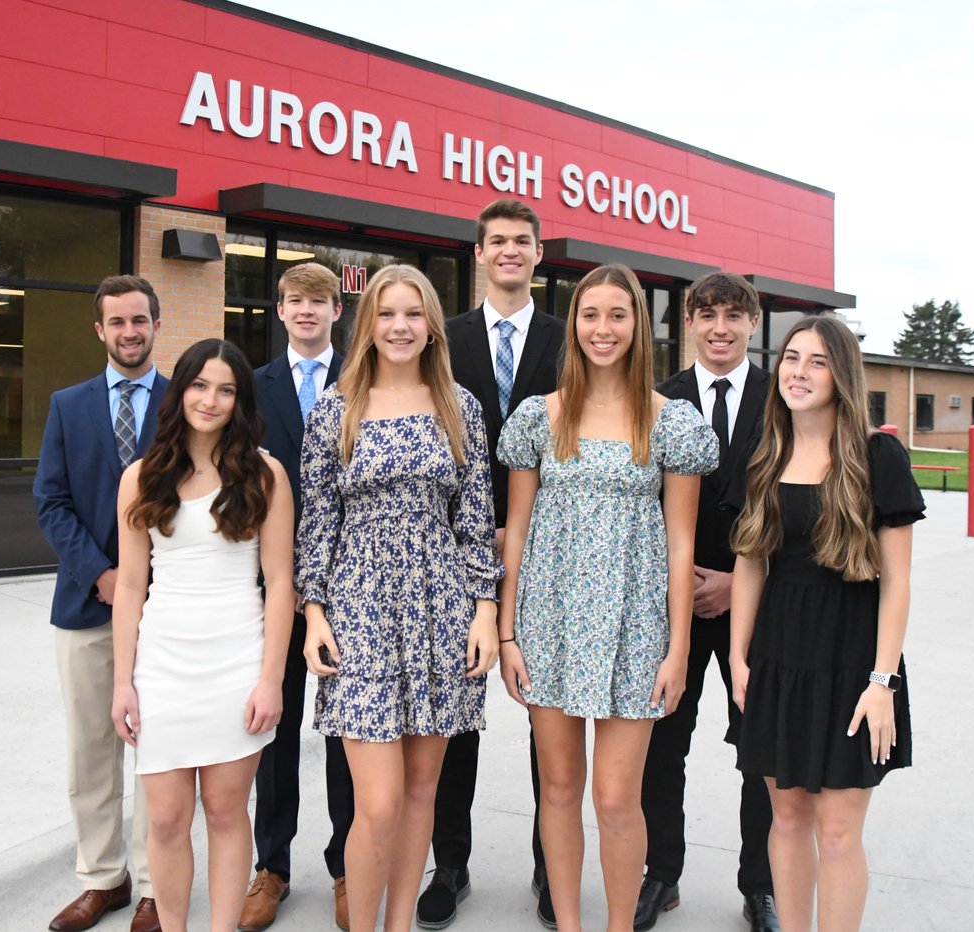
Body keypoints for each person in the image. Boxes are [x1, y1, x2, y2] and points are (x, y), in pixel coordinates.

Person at [497, 264, 718, 932]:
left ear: (638, 326)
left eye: (617, 315)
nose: (602, 329)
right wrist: (507, 633)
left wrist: (678, 649)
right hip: (549, 625)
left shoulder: (670, 423)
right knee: (559, 790)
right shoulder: (540, 417)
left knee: (619, 799)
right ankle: (568, 923)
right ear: (575, 325)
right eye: (590, 314)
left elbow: (682, 545)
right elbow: (518, 534)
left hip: (635, 629)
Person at [296, 264, 503, 932]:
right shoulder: (338, 406)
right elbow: (316, 519)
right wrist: (313, 611)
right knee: (378, 804)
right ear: (368, 324)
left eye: (413, 314)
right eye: (386, 314)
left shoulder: (459, 407)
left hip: (441, 607)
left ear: (431, 324)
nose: (400, 326)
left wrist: (485, 610)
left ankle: (399, 925)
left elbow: (475, 519)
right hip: (359, 610)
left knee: (421, 793)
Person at [729, 315, 923, 932]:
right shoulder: (767, 451)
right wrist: (739, 658)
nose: (799, 372)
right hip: (777, 657)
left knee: (837, 832)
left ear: (841, 374)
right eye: (791, 358)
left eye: (816, 361)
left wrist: (882, 681)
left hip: (851, 661)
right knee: (785, 819)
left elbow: (897, 582)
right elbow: (750, 564)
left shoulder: (877, 455)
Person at [110, 338, 295, 932]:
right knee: (164, 819)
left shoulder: (265, 475)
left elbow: (280, 582)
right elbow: (132, 586)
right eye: (198, 385)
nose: (209, 400)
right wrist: (123, 683)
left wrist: (271, 680)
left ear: (240, 400)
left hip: (236, 661)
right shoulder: (141, 477)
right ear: (179, 389)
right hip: (162, 664)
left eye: (225, 389)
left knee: (224, 812)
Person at [423, 198, 564, 929]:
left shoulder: (569, 339)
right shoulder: (441, 338)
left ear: (539, 253)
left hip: (551, 553)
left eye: (522, 241)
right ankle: (450, 863)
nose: (510, 251)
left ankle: (551, 868)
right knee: (457, 717)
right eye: (497, 241)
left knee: (550, 717)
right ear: (478, 254)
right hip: (457, 553)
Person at [637, 272, 779, 932]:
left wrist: (737, 579)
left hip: (759, 602)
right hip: (674, 604)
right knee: (663, 743)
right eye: (706, 313)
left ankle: (762, 885)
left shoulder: (784, 399)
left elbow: (796, 505)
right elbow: (643, 503)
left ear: (753, 322)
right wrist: (680, 583)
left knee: (761, 746)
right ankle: (660, 871)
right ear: (686, 322)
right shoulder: (658, 400)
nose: (720, 326)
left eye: (733, 314)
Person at [35, 274, 167, 932]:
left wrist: (146, 584)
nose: (129, 332)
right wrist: (103, 576)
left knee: (156, 752)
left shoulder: (182, 403)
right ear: (100, 330)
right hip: (87, 608)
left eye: (139, 319)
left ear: (156, 325)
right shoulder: (68, 405)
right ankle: (102, 877)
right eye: (117, 322)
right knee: (91, 751)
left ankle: (151, 885)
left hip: (167, 611)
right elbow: (50, 503)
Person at [242, 262, 356, 932]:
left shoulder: (365, 379)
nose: (307, 311)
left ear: (336, 311)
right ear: (279, 311)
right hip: (274, 583)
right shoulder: (252, 388)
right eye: (295, 301)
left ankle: (346, 865)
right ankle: (272, 866)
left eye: (318, 301)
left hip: (353, 583)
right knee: (274, 727)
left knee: (346, 730)